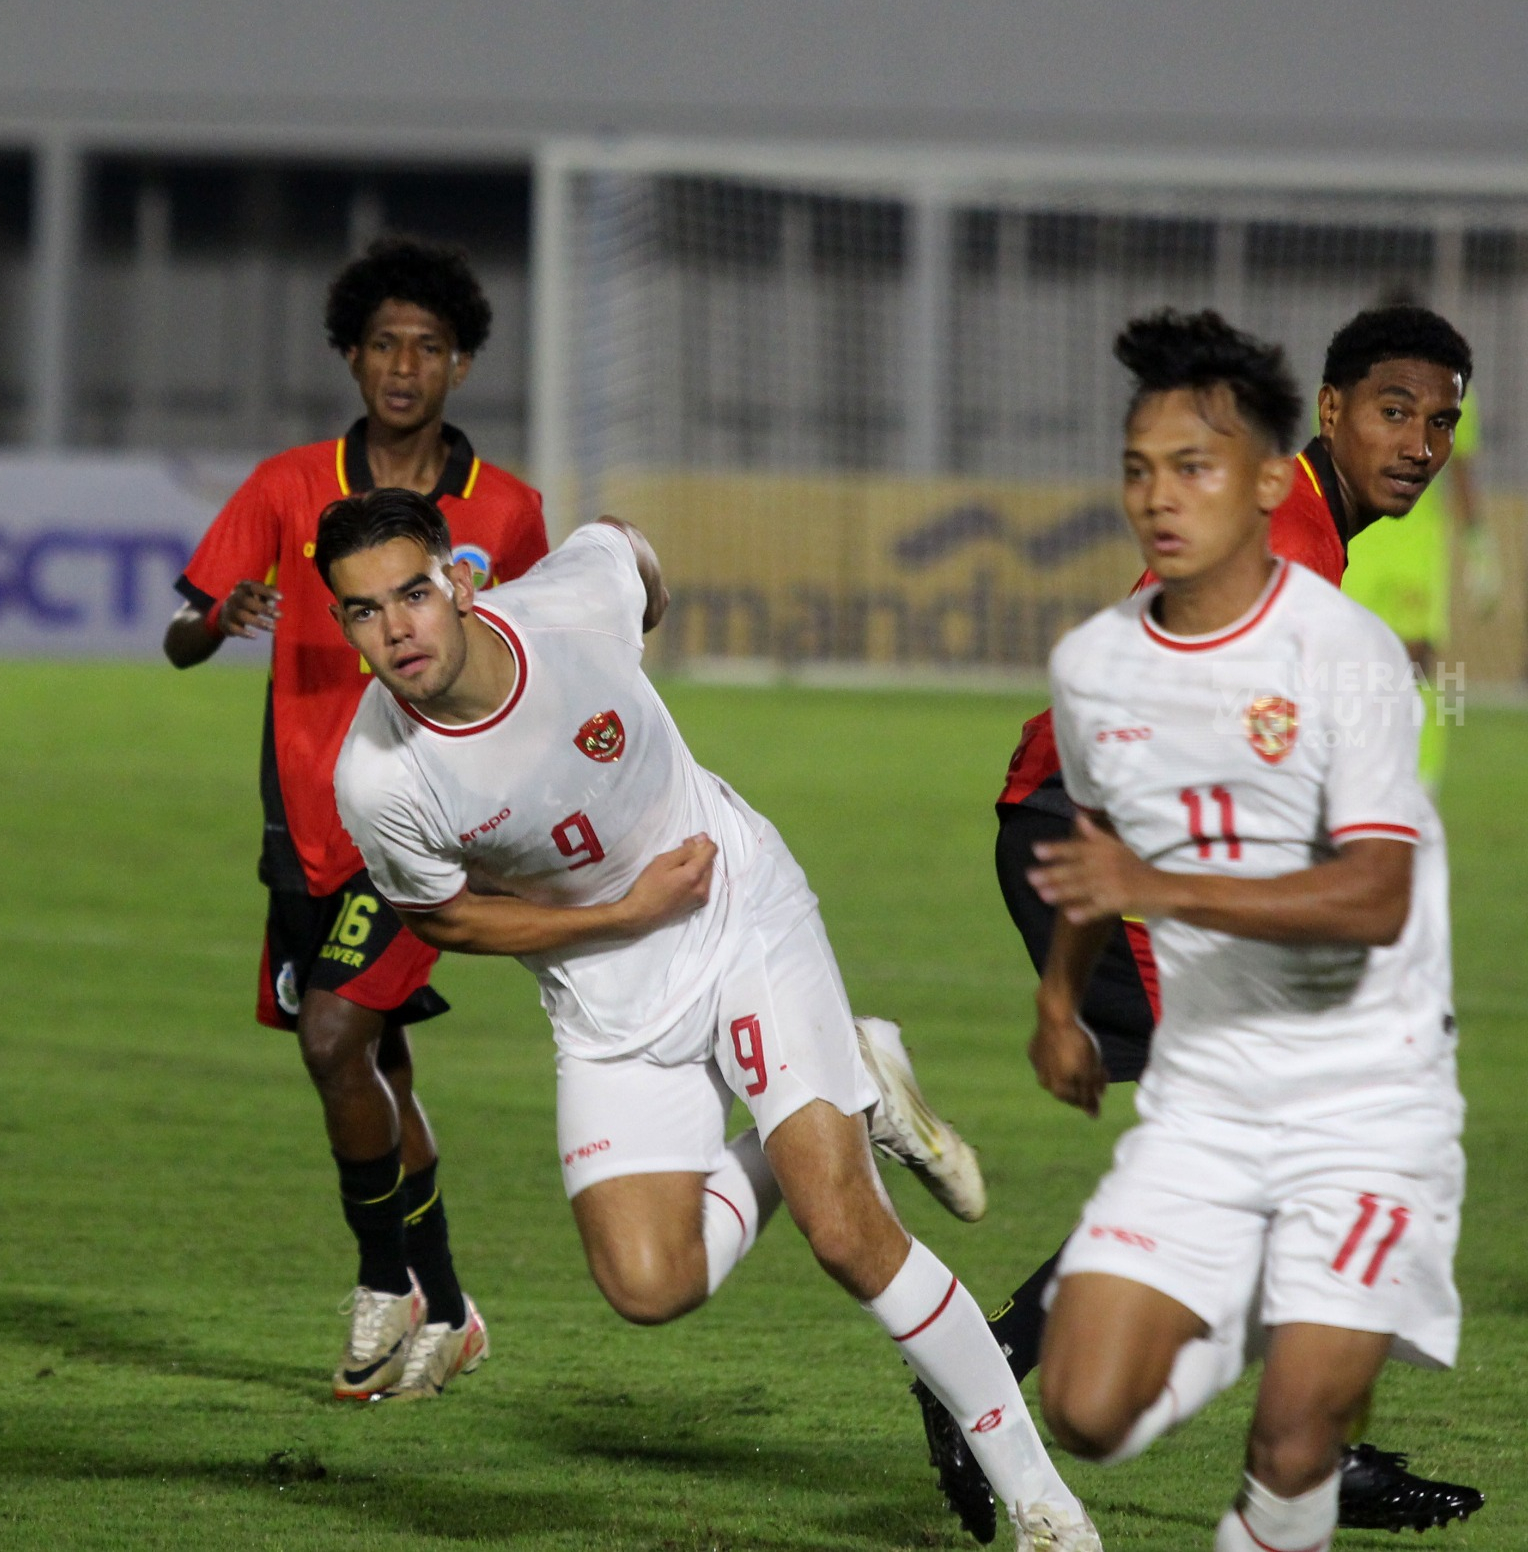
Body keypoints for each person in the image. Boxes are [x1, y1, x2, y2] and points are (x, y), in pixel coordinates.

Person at [320, 490, 1089, 1552]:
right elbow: (441, 914)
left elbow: (629, 552)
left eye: (411, 592)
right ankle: (851, 1078)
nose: (396, 628)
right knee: (650, 1284)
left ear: (457, 581)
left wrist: (642, 625)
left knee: (845, 1232)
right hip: (606, 1002)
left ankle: (1047, 1508)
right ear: (343, 625)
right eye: (363, 611)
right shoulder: (377, 777)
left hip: (739, 917)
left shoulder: (568, 605)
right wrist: (620, 914)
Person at [921, 306, 1482, 1542]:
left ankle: (1291, 1434)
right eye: (1394, 410)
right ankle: (1010, 1375)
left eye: (1441, 420)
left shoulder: (1309, 535)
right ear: (1330, 410)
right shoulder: (1291, 539)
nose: (1420, 442)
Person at [165, 236, 548, 1399]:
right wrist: (218, 617)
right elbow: (181, 636)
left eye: (427, 346)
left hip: (426, 827)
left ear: (461, 364)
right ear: (350, 354)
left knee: (335, 1037)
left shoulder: (508, 511)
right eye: (384, 342)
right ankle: (451, 1306)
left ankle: (388, 1280)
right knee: (374, 1065)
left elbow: (543, 659)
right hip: (305, 830)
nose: (403, 365)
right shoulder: (288, 485)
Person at [1344, 376, 1495, 797]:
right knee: (1353, 668)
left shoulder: (1452, 389)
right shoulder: (1351, 382)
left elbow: (1461, 470)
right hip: (1360, 545)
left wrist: (1478, 546)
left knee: (1413, 666)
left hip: (1416, 550)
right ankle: (1356, 778)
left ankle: (1421, 782)